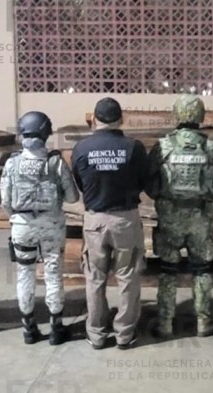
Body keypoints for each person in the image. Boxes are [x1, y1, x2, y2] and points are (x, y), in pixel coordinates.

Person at [146, 95, 213, 338]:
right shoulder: (212, 148)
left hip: (169, 219)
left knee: (168, 271)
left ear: (176, 115)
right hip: (201, 219)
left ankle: (165, 322)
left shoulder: (162, 147)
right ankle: (203, 321)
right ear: (200, 115)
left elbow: (150, 185)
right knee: (202, 270)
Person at [71, 97, 147, 350]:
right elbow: (143, 181)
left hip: (94, 220)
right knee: (127, 276)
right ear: (121, 119)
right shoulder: (134, 148)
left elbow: (80, 183)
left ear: (94, 119)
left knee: (94, 277)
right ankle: (124, 334)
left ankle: (96, 333)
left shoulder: (81, 148)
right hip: (125, 219)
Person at [0, 111, 79, 345]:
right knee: (53, 273)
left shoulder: (12, 163)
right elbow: (73, 197)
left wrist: (17, 218)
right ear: (46, 134)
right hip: (52, 226)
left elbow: (5, 201)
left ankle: (29, 329)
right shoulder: (55, 162)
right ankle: (56, 329)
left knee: (25, 274)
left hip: (22, 226)